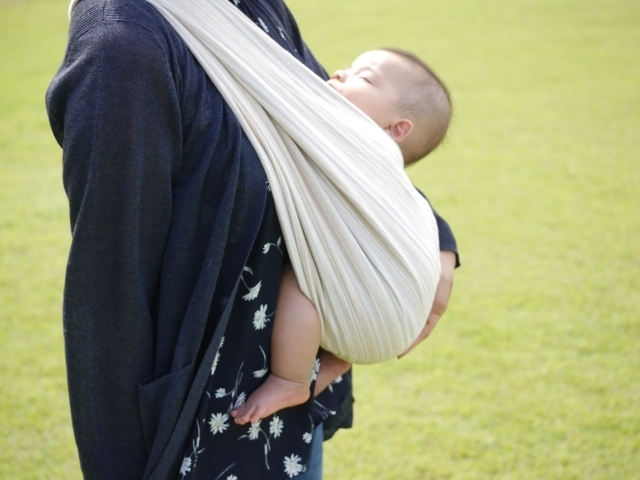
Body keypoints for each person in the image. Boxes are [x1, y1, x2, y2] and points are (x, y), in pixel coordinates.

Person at [45, 0, 459, 478]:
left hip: (292, 418)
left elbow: (348, 145)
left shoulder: (251, 8)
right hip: (202, 433)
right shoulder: (123, 50)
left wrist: (435, 242)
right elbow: (111, 284)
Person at [232, 48, 453, 426]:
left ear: (395, 129)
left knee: (300, 282)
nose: (337, 73)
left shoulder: (358, 143)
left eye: (362, 78)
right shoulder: (377, 161)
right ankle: (333, 358)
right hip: (385, 304)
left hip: (375, 300)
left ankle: (292, 379)